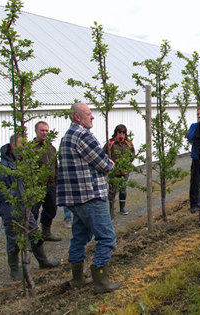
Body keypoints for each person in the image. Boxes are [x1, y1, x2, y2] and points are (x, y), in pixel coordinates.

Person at [57, 103, 121, 294]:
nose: (92, 117)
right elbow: (103, 163)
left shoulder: (67, 136)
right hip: (90, 196)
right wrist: (110, 164)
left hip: (75, 199)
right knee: (107, 238)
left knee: (79, 237)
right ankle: (100, 280)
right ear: (77, 117)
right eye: (88, 114)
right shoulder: (82, 135)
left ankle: (77, 278)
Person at [0, 134, 59, 281]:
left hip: (26, 208)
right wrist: (16, 195)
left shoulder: (25, 163)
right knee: (14, 239)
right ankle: (15, 269)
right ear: (14, 146)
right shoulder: (4, 166)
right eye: (23, 145)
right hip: (12, 210)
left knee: (35, 233)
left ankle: (43, 261)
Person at [30, 121, 62, 242]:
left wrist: (57, 181)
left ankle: (46, 232)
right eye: (42, 130)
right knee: (33, 212)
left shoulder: (51, 148)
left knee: (51, 209)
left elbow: (55, 166)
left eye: (46, 131)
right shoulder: (31, 149)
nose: (44, 133)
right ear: (36, 131)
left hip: (51, 185)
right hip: (37, 187)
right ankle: (32, 237)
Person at [103, 124, 135, 217]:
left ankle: (122, 208)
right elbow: (103, 153)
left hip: (124, 170)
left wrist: (128, 163)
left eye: (123, 132)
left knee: (123, 190)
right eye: (119, 132)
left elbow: (132, 154)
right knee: (112, 190)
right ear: (116, 133)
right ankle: (111, 210)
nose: (121, 134)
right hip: (114, 171)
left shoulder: (128, 143)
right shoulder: (110, 143)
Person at [187, 107, 200, 213]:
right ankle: (194, 204)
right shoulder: (194, 126)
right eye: (198, 114)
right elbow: (190, 138)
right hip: (196, 158)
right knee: (195, 181)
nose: (199, 116)